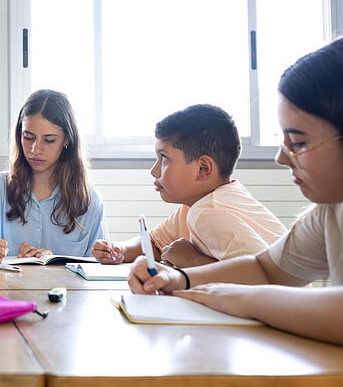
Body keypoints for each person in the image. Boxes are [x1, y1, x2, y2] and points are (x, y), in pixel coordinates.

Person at [130, 38, 343, 345]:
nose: (281, 158)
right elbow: (265, 270)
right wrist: (179, 278)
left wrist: (244, 299)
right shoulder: (331, 210)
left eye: (297, 143)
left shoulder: (211, 210)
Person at [92, 104, 287, 269]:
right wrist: (120, 250)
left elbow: (266, 282)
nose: (154, 170)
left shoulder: (210, 212)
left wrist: (192, 260)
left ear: (203, 168)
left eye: (164, 158)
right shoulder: (195, 206)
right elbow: (155, 243)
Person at [0, 89, 104, 264]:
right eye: (28, 137)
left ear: (67, 140)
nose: (35, 149)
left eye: (49, 140)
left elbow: (98, 265)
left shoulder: (88, 200)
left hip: (67, 291)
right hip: (6, 290)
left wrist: (52, 261)